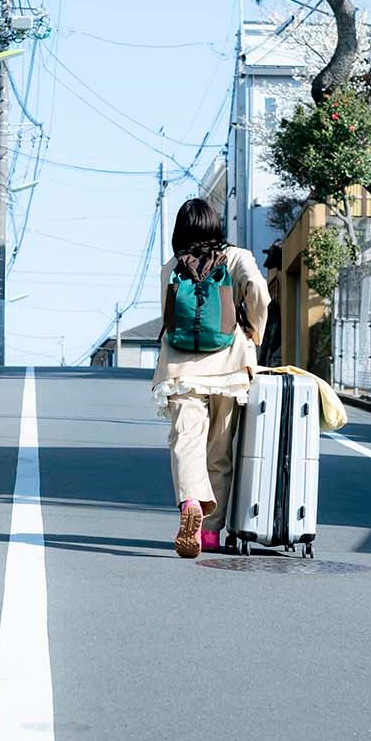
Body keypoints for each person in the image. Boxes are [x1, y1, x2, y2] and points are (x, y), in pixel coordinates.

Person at [150, 199, 269, 558]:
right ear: (216, 225)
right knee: (219, 450)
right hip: (229, 366)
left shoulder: (172, 266)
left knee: (186, 442)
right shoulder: (237, 257)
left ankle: (191, 503)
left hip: (180, 369)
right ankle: (211, 534)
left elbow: (169, 318)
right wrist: (253, 334)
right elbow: (260, 296)